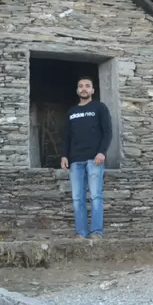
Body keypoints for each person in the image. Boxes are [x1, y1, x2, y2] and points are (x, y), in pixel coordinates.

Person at [60, 76, 112, 239]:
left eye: (87, 86)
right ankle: (81, 232)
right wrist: (64, 155)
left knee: (96, 196)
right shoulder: (71, 112)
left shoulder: (100, 107)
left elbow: (107, 132)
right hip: (75, 160)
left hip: (94, 159)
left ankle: (96, 231)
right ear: (77, 90)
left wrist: (102, 152)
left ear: (92, 90)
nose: (84, 88)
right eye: (81, 86)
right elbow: (66, 136)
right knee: (77, 198)